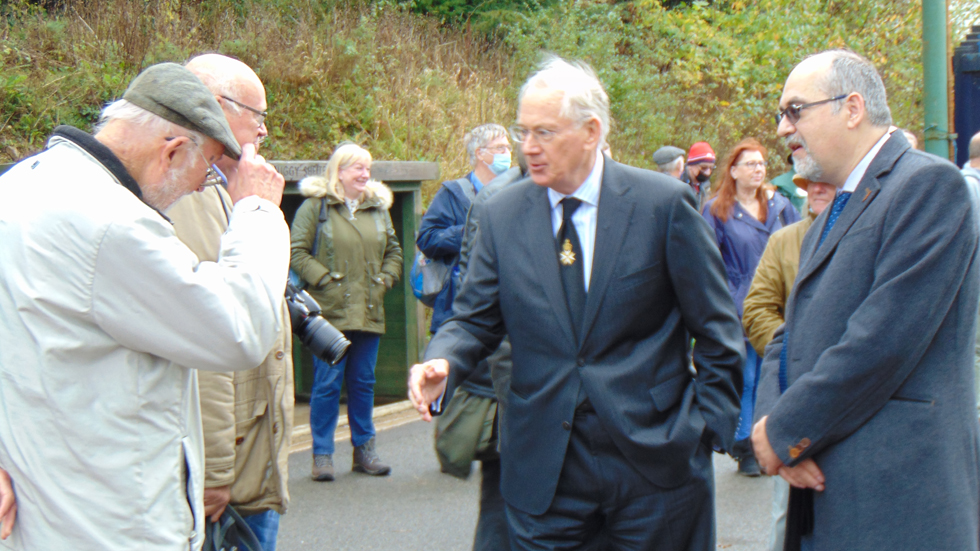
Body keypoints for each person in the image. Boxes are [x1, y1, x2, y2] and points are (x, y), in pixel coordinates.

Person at [408, 56, 744, 550]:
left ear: (591, 131)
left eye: (544, 132)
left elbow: (717, 328)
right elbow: (474, 318)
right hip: (544, 469)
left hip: (655, 467)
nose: (528, 148)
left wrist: (705, 430)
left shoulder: (662, 205)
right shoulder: (501, 215)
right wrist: (445, 357)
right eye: (524, 132)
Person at [0, 62, 288, 550]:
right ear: (173, 151)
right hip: (111, 525)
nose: (207, 185)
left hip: (43, 514)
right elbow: (237, 329)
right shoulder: (112, 222)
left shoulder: (20, 185)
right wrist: (256, 211)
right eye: (211, 166)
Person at [752, 50, 980, 551]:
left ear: (852, 108)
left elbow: (881, 342)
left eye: (794, 110)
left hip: (896, 506)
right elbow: (790, 333)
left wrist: (787, 430)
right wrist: (772, 428)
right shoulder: (827, 217)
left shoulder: (927, 187)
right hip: (827, 497)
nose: (782, 129)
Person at [166, 54, 292, 551]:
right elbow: (208, 336)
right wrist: (217, 468)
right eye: (257, 116)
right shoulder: (187, 194)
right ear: (216, 107)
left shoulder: (222, 182)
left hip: (249, 442)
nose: (263, 131)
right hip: (229, 462)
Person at [290, 143, 403, 481]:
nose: (365, 174)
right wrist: (323, 280)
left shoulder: (378, 209)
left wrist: (385, 280)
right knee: (327, 384)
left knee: (364, 382)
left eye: (367, 167)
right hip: (329, 313)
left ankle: (364, 450)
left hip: (368, 308)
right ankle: (322, 455)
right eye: (357, 167)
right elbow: (296, 252)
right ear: (338, 171)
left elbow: (394, 251)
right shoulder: (315, 207)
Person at [740, 174, 834, 551]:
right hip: (794, 394)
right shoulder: (785, 240)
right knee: (786, 512)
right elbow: (757, 309)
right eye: (809, 183)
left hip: (855, 403)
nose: (816, 189)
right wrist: (796, 354)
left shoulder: (871, 232)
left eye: (826, 182)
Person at [701, 138, 800, 476]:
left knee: (773, 374)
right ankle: (744, 444)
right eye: (750, 164)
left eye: (761, 164)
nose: (758, 169)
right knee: (745, 377)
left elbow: (804, 241)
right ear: (733, 171)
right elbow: (706, 261)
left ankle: (767, 440)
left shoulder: (781, 206)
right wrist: (724, 301)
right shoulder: (717, 210)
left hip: (779, 304)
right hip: (736, 306)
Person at [416, 124, 511, 333]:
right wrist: (468, 233)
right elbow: (427, 239)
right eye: (500, 148)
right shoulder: (453, 193)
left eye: (508, 148)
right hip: (458, 306)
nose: (508, 154)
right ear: (480, 153)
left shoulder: (518, 191)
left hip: (506, 308)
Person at [681, 141, 716, 207]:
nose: (708, 172)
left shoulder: (706, 185)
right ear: (691, 165)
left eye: (711, 168)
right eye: (703, 167)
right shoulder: (679, 183)